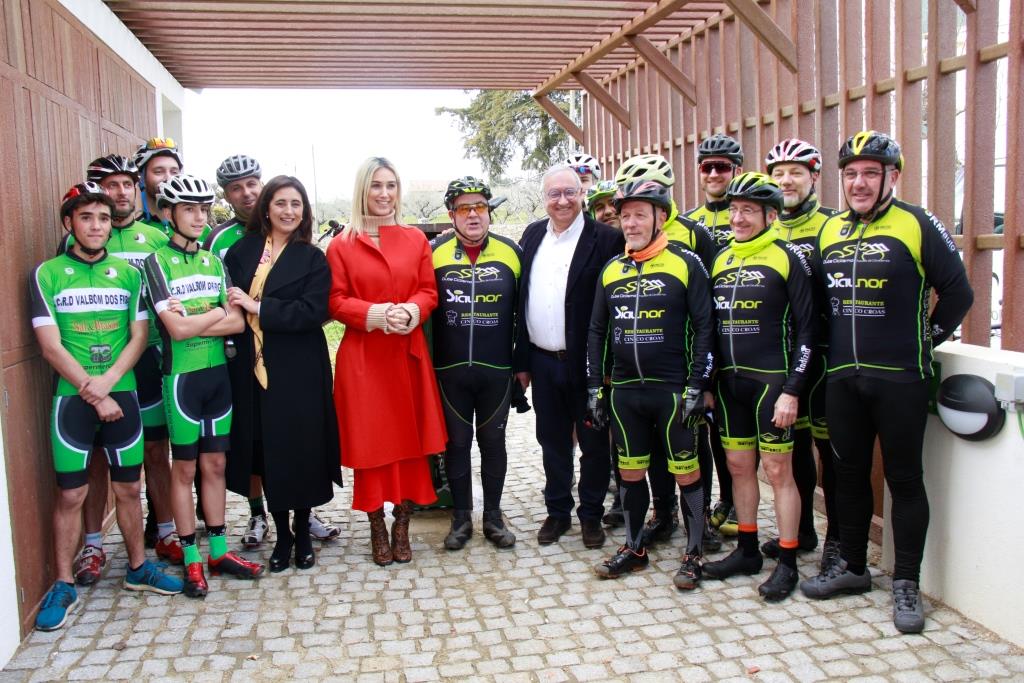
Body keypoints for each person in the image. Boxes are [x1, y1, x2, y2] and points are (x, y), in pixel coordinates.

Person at [800, 131, 973, 633]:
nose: (859, 182)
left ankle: (906, 584)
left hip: (900, 378)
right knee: (848, 476)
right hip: (843, 379)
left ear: (892, 177)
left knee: (904, 480)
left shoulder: (915, 223)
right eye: (851, 174)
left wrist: (926, 340)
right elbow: (816, 303)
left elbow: (959, 293)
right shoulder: (831, 230)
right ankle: (853, 567)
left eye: (870, 173)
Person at [30, 183, 183, 630]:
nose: (96, 225)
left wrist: (109, 385)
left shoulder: (130, 274)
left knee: (129, 489)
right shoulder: (47, 274)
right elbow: (49, 345)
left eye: (101, 218)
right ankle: (63, 582)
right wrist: (92, 391)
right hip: (72, 399)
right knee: (71, 494)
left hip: (123, 392)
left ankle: (137, 569)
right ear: (69, 225)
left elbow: (139, 336)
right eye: (85, 218)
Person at [206, 155, 342, 548]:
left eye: (296, 204)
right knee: (265, 448)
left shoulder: (313, 257)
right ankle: (278, 533)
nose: (288, 211)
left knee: (300, 445)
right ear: (267, 207)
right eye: (280, 203)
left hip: (300, 366)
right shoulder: (239, 253)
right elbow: (224, 304)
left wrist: (259, 307)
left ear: (305, 211)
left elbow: (314, 311)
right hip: (251, 365)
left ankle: (301, 533)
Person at [586, 180, 715, 588]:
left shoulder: (685, 262)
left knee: (686, 473)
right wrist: (594, 387)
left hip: (673, 388)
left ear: (661, 217)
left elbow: (705, 328)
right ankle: (634, 546)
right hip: (626, 390)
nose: (631, 223)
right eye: (625, 216)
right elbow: (596, 332)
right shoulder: (612, 269)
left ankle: (694, 553)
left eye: (640, 214)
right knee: (629, 472)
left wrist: (698, 383)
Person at [61, 155, 182, 586]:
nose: (122, 192)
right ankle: (93, 544)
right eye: (111, 185)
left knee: (155, 449)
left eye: (128, 184)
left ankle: (165, 530)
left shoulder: (155, 237)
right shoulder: (81, 241)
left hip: (147, 360)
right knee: (95, 458)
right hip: (93, 370)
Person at [144, 174, 264, 598]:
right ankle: (191, 559)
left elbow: (237, 321)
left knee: (215, 466)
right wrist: (210, 315)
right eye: (189, 210)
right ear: (168, 213)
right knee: (185, 469)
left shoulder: (214, 261)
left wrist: (198, 318)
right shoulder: (155, 262)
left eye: (204, 209)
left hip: (217, 378)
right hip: (181, 381)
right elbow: (174, 331)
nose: (199, 217)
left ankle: (218, 550)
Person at [327, 157, 447, 566]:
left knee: (411, 443)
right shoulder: (342, 243)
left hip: (407, 353)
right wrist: (377, 315)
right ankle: (377, 524)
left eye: (391, 185)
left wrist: (411, 311)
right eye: (376, 185)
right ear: (363, 189)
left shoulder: (414, 239)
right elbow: (336, 300)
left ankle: (402, 523)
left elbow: (429, 290)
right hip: (364, 357)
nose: (384, 194)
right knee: (371, 443)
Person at [701, 172, 815, 602]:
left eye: (748, 210)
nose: (738, 218)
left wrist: (793, 389)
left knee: (779, 471)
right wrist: (709, 383)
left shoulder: (787, 257)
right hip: (731, 385)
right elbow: (709, 328)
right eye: (733, 210)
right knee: (737, 468)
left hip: (773, 383)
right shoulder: (721, 258)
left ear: (770, 214)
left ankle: (788, 561)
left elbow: (807, 330)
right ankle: (747, 549)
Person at [613, 154, 721, 554]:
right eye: (627, 213)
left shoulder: (692, 235)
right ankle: (661, 513)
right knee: (650, 447)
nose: (631, 221)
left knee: (692, 447)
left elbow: (710, 310)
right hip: (637, 377)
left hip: (683, 370)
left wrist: (705, 379)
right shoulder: (628, 234)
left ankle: (702, 517)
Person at [512, 164, 624, 548]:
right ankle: (558, 511)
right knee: (552, 440)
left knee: (593, 444)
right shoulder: (531, 236)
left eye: (569, 193)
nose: (562, 200)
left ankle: (591, 515)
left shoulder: (607, 239)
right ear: (544, 198)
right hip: (543, 360)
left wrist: (609, 366)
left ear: (582, 196)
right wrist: (522, 362)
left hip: (588, 364)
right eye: (554, 194)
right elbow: (521, 301)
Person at [430, 176, 521, 550]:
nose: (472, 215)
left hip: (496, 369)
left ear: (489, 212)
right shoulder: (433, 252)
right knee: (456, 444)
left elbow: (525, 315)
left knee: (493, 442)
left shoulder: (511, 252)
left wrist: (523, 365)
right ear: (451, 214)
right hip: (448, 370)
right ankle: (461, 518)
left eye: (479, 207)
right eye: (464, 208)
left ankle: (494, 518)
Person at [763, 139, 839, 569]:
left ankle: (838, 543)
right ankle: (806, 531)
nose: (786, 180)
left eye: (795, 172)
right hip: (784, 360)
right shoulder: (768, 229)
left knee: (832, 454)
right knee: (795, 448)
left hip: (827, 357)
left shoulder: (831, 224)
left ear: (814, 176)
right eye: (778, 173)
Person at [681, 135, 745, 537]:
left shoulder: (752, 214)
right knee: (702, 427)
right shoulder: (690, 222)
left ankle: (734, 500)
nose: (716, 173)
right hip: (701, 340)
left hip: (742, 341)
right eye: (708, 167)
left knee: (732, 430)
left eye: (723, 166)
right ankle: (707, 507)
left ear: (736, 170)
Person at [134, 138, 183, 234]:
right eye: (158, 172)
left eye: (174, 172)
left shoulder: (198, 226)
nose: (168, 178)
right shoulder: (128, 223)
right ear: (142, 177)